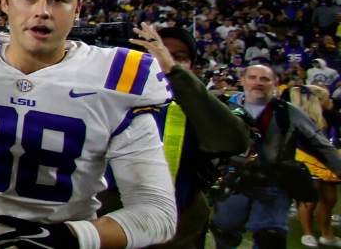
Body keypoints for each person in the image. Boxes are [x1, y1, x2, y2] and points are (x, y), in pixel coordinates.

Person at [0, 0, 178, 249]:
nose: (42, 11)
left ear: (77, 9)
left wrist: (75, 237)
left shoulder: (120, 76)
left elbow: (158, 214)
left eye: (58, 0)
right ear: (5, 2)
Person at [98, 24, 252, 249]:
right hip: (108, 222)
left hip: (175, 229)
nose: (162, 60)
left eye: (178, 57)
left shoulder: (201, 107)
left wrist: (172, 70)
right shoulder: (109, 98)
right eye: (154, 53)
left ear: (191, 67)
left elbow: (234, 141)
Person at [211, 63, 341, 249]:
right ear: (242, 80)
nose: (258, 83)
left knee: (271, 238)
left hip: (274, 184)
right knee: (225, 233)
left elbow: (321, 145)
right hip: (231, 183)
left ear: (276, 83)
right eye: (253, 77)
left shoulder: (289, 112)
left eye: (265, 79)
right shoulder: (221, 107)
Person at [290, 85, 341, 247]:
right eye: (327, 98)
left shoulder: (328, 116)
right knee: (310, 200)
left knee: (330, 199)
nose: (330, 101)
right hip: (308, 160)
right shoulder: (302, 118)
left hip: (326, 161)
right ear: (317, 101)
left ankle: (327, 235)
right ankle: (308, 234)